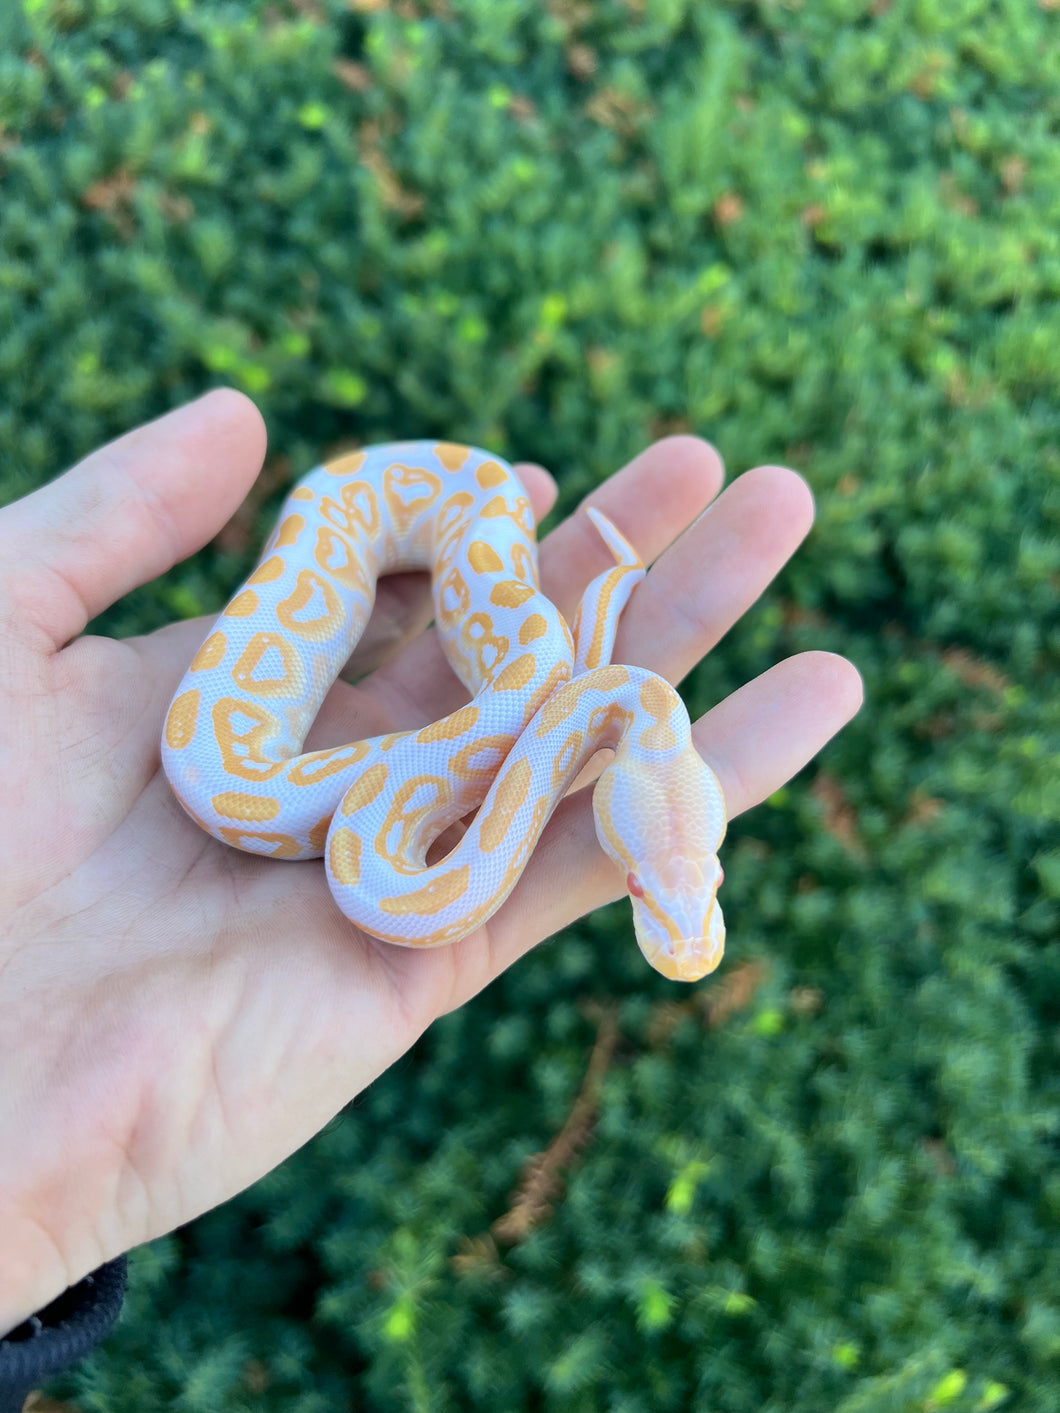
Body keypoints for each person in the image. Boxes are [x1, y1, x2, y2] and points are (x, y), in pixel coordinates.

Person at [0, 390, 862, 1401]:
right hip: (389, 544)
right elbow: (529, 741)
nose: (673, 905)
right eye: (653, 880)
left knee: (530, 666)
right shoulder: (556, 711)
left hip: (488, 655)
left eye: (682, 876)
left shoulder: (574, 729)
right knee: (530, 662)